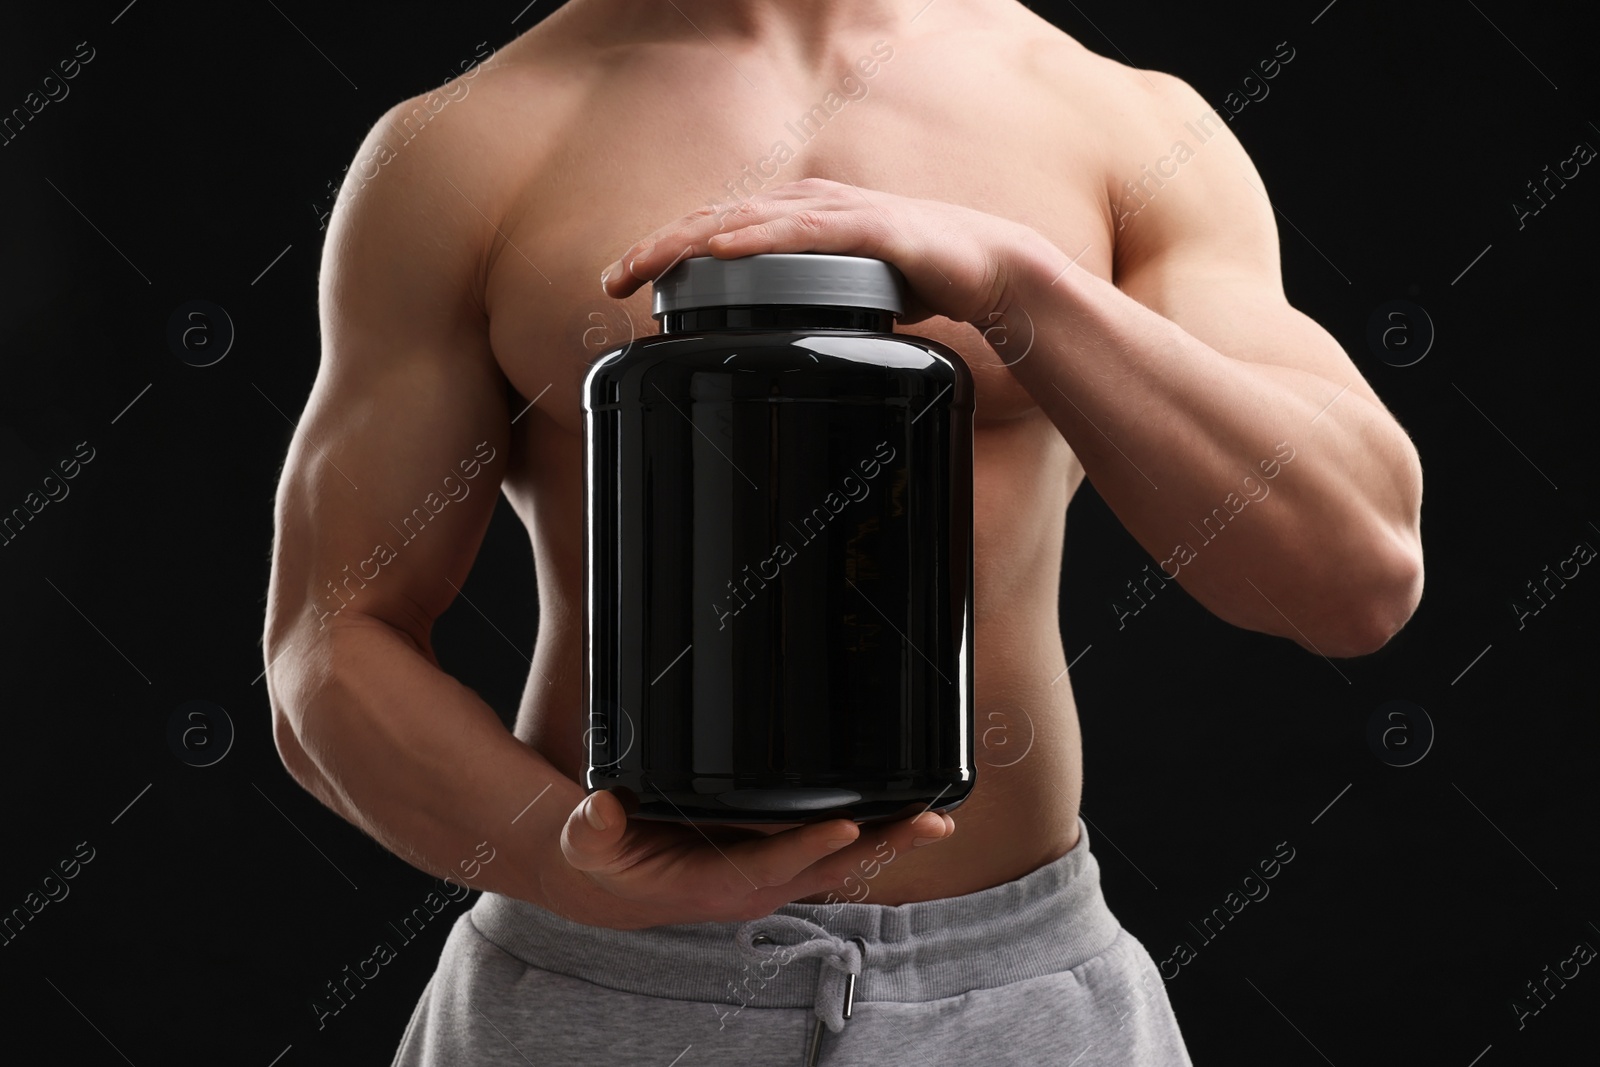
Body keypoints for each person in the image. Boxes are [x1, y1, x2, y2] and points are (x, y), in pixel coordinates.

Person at [261, 0, 1424, 1063]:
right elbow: (329, 641)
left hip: (1013, 997)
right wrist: (567, 860)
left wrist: (1019, 290)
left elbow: (1351, 574)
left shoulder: (1115, 123)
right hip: (597, 985)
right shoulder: (469, 144)